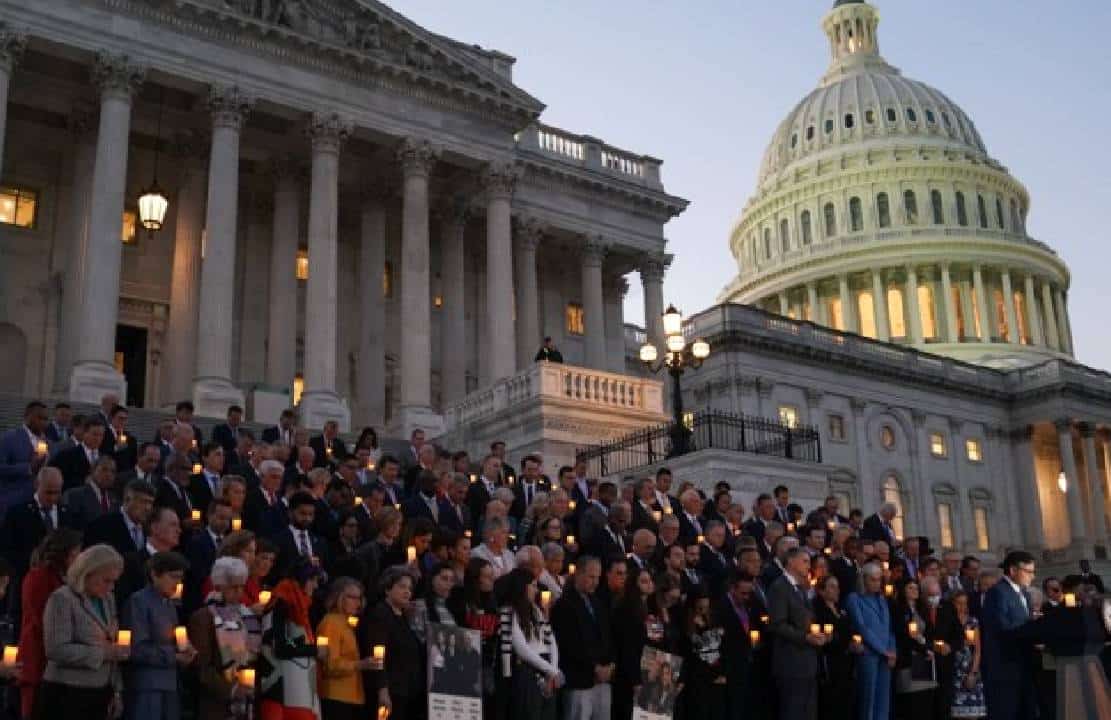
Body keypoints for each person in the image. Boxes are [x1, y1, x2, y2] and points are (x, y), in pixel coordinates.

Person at [36, 544, 128, 719]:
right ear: (87, 573)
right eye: (106, 580)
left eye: (114, 581)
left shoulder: (107, 599)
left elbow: (112, 645)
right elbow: (56, 649)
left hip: (102, 692)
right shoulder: (62, 599)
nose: (111, 587)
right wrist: (103, 654)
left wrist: (116, 691)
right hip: (68, 694)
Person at [122, 551, 196, 720]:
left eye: (180, 578)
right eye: (173, 577)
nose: (177, 583)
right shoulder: (139, 602)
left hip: (170, 684)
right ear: (155, 575)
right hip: (148, 686)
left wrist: (186, 648)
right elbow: (137, 648)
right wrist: (174, 656)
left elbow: (175, 638)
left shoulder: (169, 603)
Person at [17, 529, 82, 719]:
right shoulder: (38, 577)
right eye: (75, 553)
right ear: (63, 553)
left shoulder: (68, 579)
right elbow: (40, 618)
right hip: (38, 661)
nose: (79, 559)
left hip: (58, 666)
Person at [188, 556, 257, 720]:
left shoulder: (246, 615)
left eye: (242, 586)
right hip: (216, 704)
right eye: (234, 587)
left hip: (246, 702)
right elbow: (202, 667)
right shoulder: (203, 617)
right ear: (218, 586)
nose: (239, 592)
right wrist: (232, 690)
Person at [259, 558, 326, 720]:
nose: (315, 586)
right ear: (302, 578)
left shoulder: (298, 604)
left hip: (296, 687)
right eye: (312, 580)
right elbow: (281, 644)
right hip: (281, 689)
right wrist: (314, 650)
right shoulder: (280, 603)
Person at [767, 547, 827, 720]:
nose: (809, 566)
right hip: (790, 663)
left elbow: (806, 620)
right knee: (793, 711)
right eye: (805, 561)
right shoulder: (779, 588)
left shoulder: (800, 588)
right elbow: (778, 624)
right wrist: (805, 637)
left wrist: (818, 634)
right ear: (791, 562)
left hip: (807, 663)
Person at [980, 550, 1037, 720]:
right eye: (1028, 571)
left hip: (1023, 663)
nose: (1032, 576)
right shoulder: (997, 592)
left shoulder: (1025, 594)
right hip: (1004, 667)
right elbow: (1001, 627)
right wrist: (1032, 629)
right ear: (1012, 570)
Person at [502, 567, 562, 720]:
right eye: (533, 586)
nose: (536, 590)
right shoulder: (509, 611)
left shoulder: (536, 610)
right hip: (527, 670)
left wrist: (553, 670)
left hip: (546, 669)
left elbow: (551, 640)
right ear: (522, 586)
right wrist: (551, 670)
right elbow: (522, 649)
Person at [367, 567, 425, 720]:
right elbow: (377, 655)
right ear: (387, 589)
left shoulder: (403, 617)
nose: (407, 592)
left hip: (406, 693)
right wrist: (382, 690)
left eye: (410, 588)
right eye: (402, 586)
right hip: (391, 692)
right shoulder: (381, 614)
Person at [317, 577, 376, 720]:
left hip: (351, 697)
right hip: (336, 697)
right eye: (352, 597)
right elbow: (330, 665)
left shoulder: (346, 623)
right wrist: (360, 664)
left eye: (359, 598)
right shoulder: (331, 622)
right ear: (339, 597)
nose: (358, 603)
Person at [847, 562, 895, 720]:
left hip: (886, 655)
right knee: (868, 699)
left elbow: (889, 629)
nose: (877, 583)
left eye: (879, 579)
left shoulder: (882, 599)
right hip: (869, 654)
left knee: (883, 699)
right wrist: (883, 650)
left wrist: (892, 651)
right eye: (873, 580)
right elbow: (862, 628)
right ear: (864, 579)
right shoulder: (854, 599)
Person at [892, 578, 936, 720]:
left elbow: (930, 631)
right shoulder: (899, 610)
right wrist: (922, 648)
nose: (914, 590)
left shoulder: (922, 609)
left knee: (924, 700)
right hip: (908, 659)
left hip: (923, 659)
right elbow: (902, 634)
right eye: (910, 588)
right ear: (903, 591)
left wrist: (928, 646)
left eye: (916, 588)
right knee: (910, 702)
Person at [812, 575, 854, 720]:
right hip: (829, 663)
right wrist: (838, 639)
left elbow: (849, 629)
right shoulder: (817, 610)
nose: (837, 590)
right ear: (821, 591)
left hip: (846, 661)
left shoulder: (841, 609)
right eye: (832, 586)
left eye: (837, 586)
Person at [682, 587, 727, 720]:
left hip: (716, 676)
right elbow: (690, 651)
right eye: (700, 608)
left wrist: (722, 673)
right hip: (697, 678)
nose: (703, 611)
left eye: (706, 607)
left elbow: (721, 649)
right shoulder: (686, 623)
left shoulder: (713, 619)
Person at [0, 401, 50, 517]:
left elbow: (40, 467)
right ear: (27, 416)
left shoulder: (43, 442)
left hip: (36, 505)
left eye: (46, 419)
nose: (43, 422)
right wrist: (28, 468)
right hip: (13, 503)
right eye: (39, 418)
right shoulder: (9, 438)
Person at [948, 590, 986, 718]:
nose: (962, 607)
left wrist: (973, 673)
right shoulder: (948, 621)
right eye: (959, 603)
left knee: (972, 714)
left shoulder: (972, 622)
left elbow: (977, 650)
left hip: (969, 669)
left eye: (964, 603)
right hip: (953, 670)